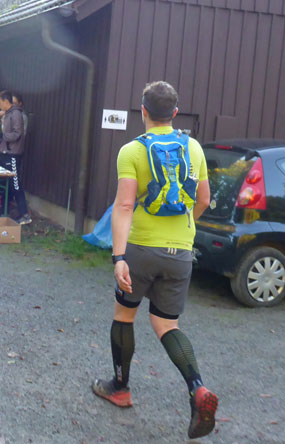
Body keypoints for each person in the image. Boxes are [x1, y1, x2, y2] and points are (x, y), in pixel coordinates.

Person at [92, 81, 217, 439]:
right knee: (166, 324)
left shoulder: (132, 151)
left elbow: (124, 206)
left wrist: (119, 257)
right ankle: (197, 388)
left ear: (143, 111)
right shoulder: (193, 147)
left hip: (141, 249)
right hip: (180, 252)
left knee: (124, 315)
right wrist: (184, 228)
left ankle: (120, 388)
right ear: (175, 113)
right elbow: (203, 199)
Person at [0, 90, 31, 225]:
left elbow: (17, 135)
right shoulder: (7, 114)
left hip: (13, 154)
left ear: (6, 102)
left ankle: (25, 215)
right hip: (4, 152)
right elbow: (6, 137)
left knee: (15, 184)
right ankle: (2, 210)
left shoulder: (16, 114)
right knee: (1, 181)